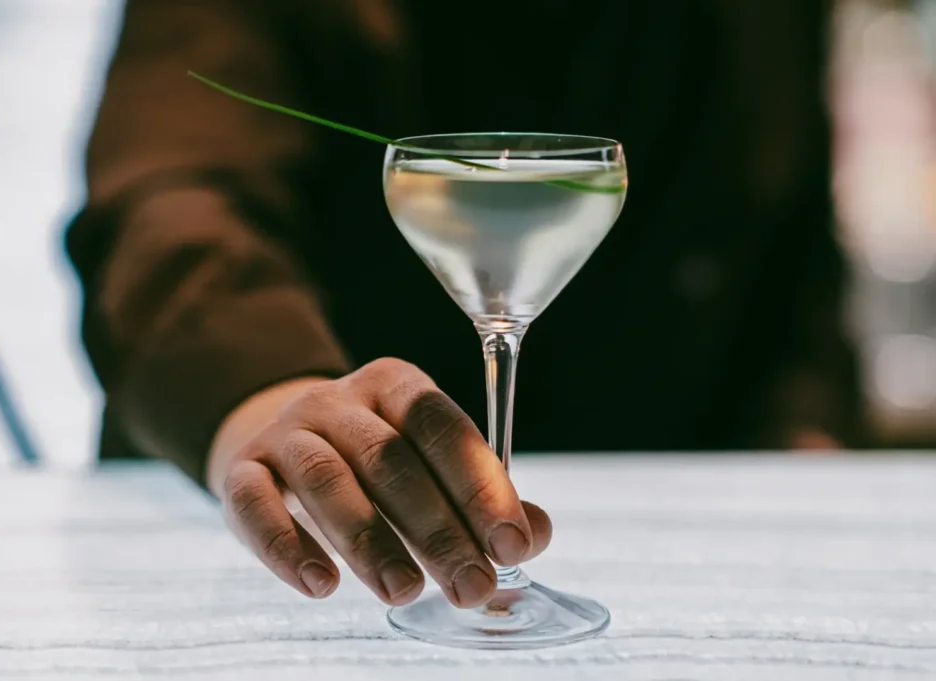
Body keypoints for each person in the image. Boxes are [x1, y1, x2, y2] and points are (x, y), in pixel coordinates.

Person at [66, 0, 865, 609]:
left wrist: (806, 459)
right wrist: (272, 404)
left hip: (676, 583)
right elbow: (169, 205)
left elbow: (793, 269)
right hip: (319, 589)